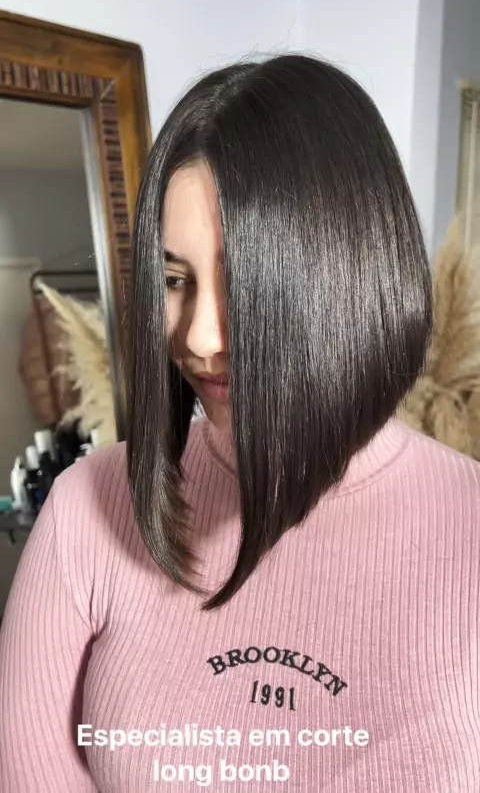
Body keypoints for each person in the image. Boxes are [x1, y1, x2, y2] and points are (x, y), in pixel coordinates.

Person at [1, 54, 479, 793]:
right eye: (174, 279)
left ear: (354, 274)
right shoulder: (86, 514)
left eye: (245, 282)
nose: (198, 337)